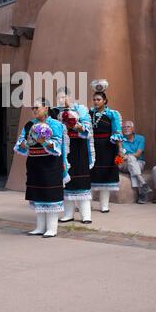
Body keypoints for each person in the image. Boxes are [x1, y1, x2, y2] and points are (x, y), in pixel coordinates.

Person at [14, 98, 69, 238]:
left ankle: (52, 228)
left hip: (50, 164)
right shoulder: (29, 125)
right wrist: (26, 143)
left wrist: (44, 142)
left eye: (37, 107)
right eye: (33, 108)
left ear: (46, 108)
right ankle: (40, 227)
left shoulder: (56, 125)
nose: (34, 110)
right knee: (38, 195)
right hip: (34, 164)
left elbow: (57, 145)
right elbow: (20, 143)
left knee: (50, 196)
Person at [54, 87, 95, 224]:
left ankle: (86, 215)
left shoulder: (80, 109)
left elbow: (87, 128)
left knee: (81, 180)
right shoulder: (55, 111)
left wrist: (74, 125)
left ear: (69, 97)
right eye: (58, 97)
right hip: (64, 149)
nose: (61, 100)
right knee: (67, 180)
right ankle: (68, 214)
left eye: (63, 97)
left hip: (78, 147)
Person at [89, 80, 124, 213]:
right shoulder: (89, 113)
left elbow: (117, 132)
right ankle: (88, 204)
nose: (96, 101)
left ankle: (104, 205)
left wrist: (120, 149)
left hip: (108, 148)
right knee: (91, 174)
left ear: (105, 100)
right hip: (92, 147)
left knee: (105, 175)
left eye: (98, 99)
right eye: (94, 99)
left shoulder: (112, 114)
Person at [119, 121, 152, 204]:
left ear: (133, 128)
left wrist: (129, 156)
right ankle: (143, 185)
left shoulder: (140, 138)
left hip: (139, 162)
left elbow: (138, 154)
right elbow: (121, 155)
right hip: (123, 164)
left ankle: (142, 191)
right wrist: (127, 157)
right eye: (124, 127)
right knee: (131, 160)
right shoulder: (120, 140)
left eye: (128, 127)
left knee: (132, 161)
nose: (126, 129)